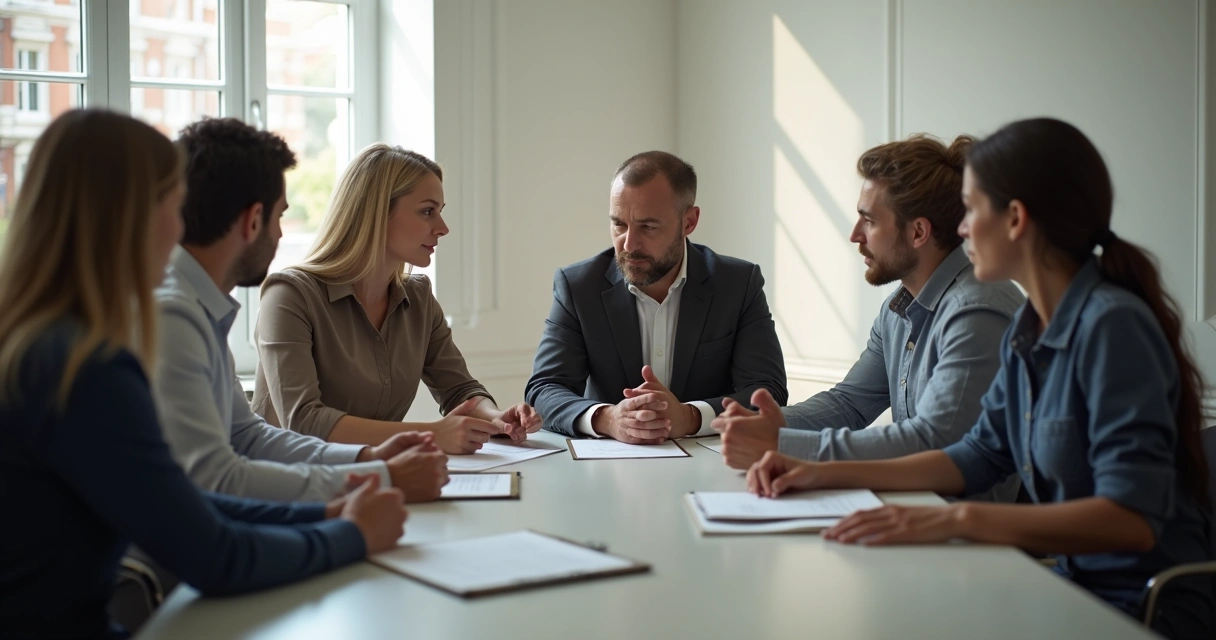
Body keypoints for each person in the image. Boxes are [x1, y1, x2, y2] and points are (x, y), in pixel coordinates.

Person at [746, 118, 1213, 638]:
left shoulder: (1112, 325)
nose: (962, 229)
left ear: (1014, 219)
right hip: (1071, 588)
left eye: (971, 210)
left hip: (1145, 610)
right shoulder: (1031, 327)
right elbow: (977, 455)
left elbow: (1131, 521)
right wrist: (814, 472)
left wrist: (957, 520)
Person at [0, 109, 407, 640]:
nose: (180, 230)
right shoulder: (86, 366)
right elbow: (214, 555)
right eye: (174, 208)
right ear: (129, 217)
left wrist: (331, 511)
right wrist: (351, 533)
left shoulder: (42, 342)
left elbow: (181, 501)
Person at [713, 135, 1023, 501]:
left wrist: (784, 443)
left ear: (918, 232)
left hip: (975, 530)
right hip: (916, 509)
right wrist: (773, 424)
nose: (854, 235)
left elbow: (935, 441)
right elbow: (849, 404)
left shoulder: (976, 310)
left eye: (869, 221)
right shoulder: (898, 308)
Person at [154, 119, 448, 503]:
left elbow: (246, 437)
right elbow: (216, 479)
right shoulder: (173, 318)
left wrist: (367, 459)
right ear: (253, 220)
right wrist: (381, 477)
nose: (280, 235)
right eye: (279, 217)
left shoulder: (197, 310)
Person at [252, 144, 540, 454]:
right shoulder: (289, 295)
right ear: (376, 213)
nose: (443, 228)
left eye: (440, 212)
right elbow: (303, 421)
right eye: (427, 211)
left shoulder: (419, 298)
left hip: (375, 472)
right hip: (286, 475)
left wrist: (496, 419)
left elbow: (459, 389)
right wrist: (431, 434)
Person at [526, 151, 787, 443]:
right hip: (608, 462)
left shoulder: (738, 284)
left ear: (689, 222)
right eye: (619, 224)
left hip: (711, 459)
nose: (629, 244)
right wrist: (608, 419)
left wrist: (690, 417)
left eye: (648, 227)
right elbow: (544, 389)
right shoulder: (578, 287)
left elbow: (769, 392)